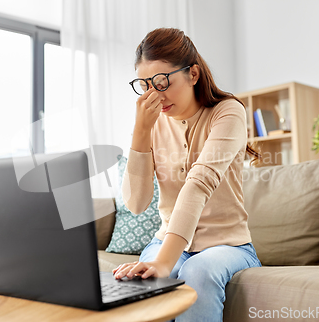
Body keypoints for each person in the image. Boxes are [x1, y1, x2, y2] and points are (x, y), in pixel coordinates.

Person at [112, 28, 262, 322]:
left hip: (227, 245)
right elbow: (136, 203)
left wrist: (165, 262)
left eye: (161, 82)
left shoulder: (227, 113)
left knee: (197, 271)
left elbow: (198, 184)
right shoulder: (153, 124)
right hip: (165, 239)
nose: (155, 94)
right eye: (145, 85)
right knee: (143, 283)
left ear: (193, 74)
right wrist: (141, 131)